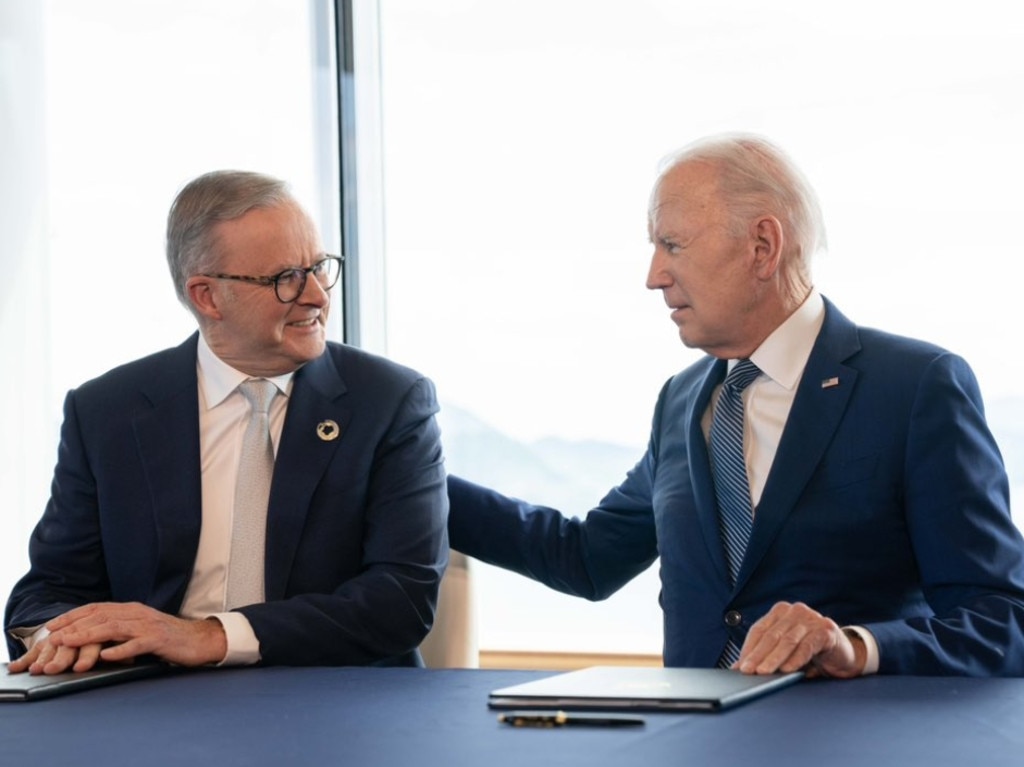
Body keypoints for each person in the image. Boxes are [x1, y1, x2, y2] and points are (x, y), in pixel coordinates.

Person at [448, 133, 1024, 678]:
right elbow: (585, 558)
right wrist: (409, 475)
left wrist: (854, 646)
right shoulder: (680, 401)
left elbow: (1002, 620)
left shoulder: (916, 385)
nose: (654, 276)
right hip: (694, 746)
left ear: (762, 247)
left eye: (672, 244)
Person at [5, 170, 448, 673]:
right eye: (286, 279)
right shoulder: (107, 410)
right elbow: (52, 588)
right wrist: (60, 637)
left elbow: (401, 599)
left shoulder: (390, 402)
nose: (318, 296)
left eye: (319, 268)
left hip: (334, 697)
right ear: (207, 296)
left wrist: (209, 636)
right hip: (150, 704)